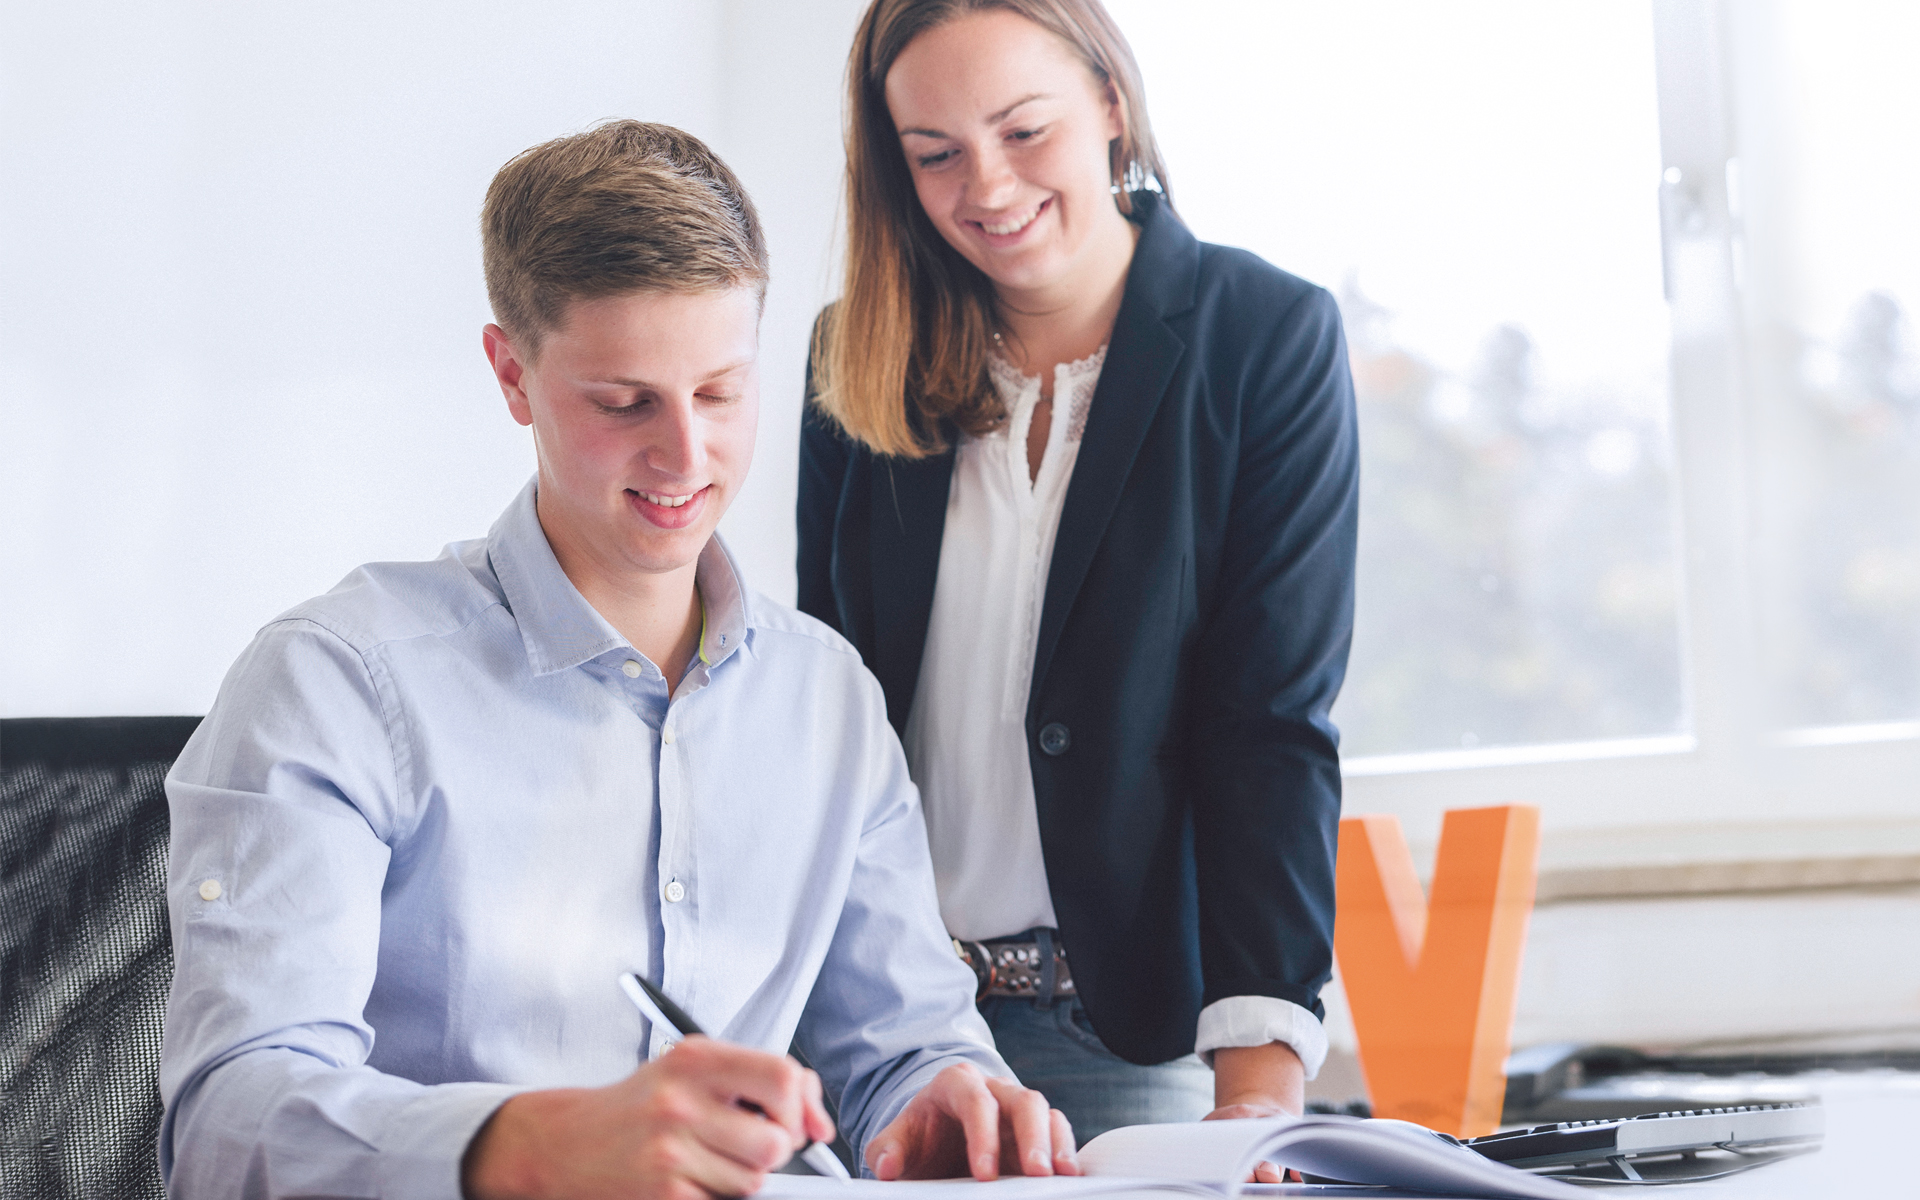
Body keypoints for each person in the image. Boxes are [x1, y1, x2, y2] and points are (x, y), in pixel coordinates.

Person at [159, 120, 1079, 1200]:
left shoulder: (825, 697)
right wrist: (529, 1146)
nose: (685, 456)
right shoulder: (336, 685)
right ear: (513, 373)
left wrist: (949, 1098)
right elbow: (228, 1124)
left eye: (720, 393)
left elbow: (905, 1048)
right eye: (624, 402)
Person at [797, 0, 1359, 1153]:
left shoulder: (1263, 338)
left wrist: (1258, 1085)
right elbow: (824, 709)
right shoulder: (856, 357)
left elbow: (1267, 722)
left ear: (1111, 101)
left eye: (1022, 131)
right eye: (935, 155)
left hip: (1123, 1033)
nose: (988, 188)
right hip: (890, 1031)